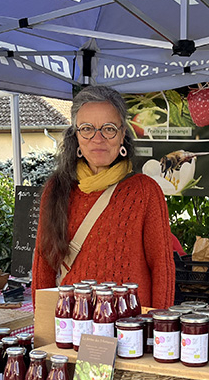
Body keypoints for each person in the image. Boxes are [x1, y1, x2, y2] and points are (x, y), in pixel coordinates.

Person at [31, 85, 175, 308]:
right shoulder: (57, 189)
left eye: (108, 129)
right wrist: (43, 319)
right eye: (87, 129)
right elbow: (44, 267)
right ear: (76, 135)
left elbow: (162, 268)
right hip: (75, 321)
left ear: (122, 134)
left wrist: (158, 324)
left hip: (131, 323)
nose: (97, 139)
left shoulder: (145, 191)